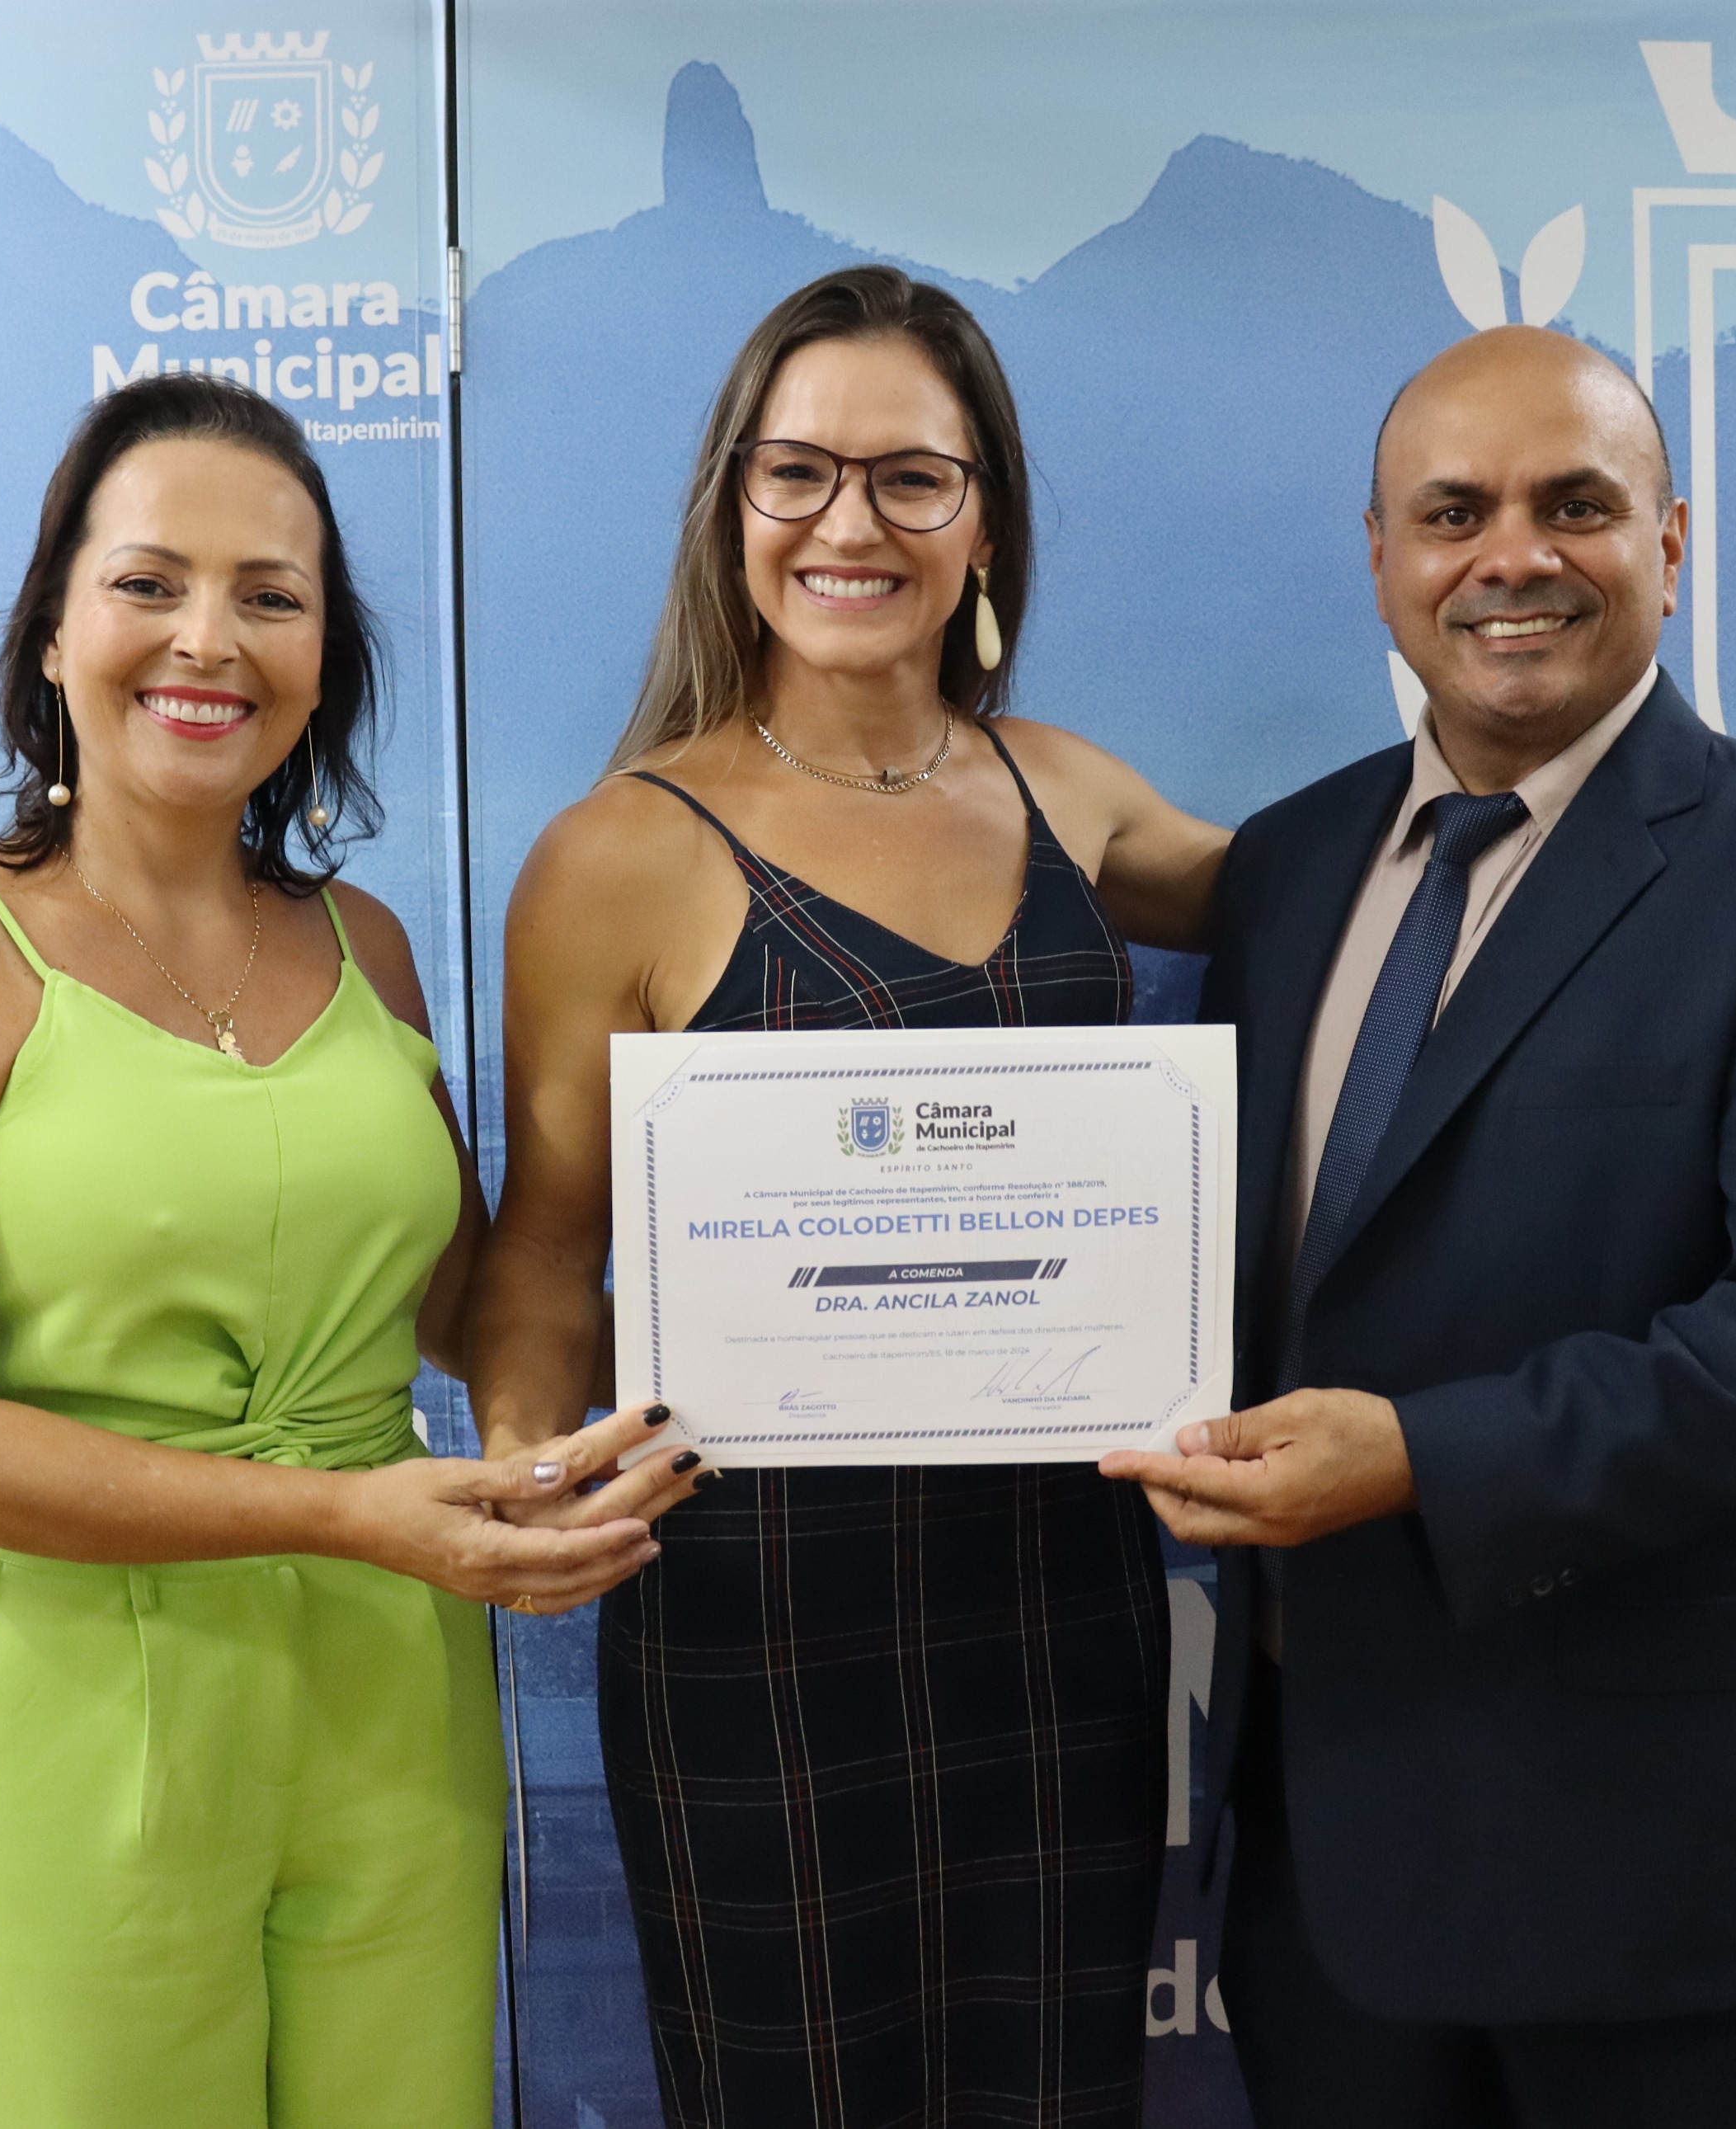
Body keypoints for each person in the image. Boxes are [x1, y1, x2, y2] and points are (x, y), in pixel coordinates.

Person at [0, 372, 699, 2129]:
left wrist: (544, 1437)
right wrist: (346, 1514)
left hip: (391, 1706)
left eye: (270, 596)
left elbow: (472, 1299)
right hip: (63, 1711)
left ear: (321, 659)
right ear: (55, 629)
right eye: (150, 583)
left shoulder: (368, 943)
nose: (208, 639)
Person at [1102, 325, 1736, 2127]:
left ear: (1673, 540)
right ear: (1381, 561)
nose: (1512, 556)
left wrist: (1419, 1458)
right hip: (1328, 1845)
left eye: (1574, 505)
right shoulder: (1287, 867)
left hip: (1671, 1859)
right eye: (1454, 514)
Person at [472, 265, 1231, 2127]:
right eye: (797, 471)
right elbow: (545, 1259)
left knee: (1058, 2096)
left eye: (911, 477)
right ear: (733, 508)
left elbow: (1365, 896)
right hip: (752, 1630)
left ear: (985, 522)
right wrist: (525, 1466)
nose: (850, 523)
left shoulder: (1073, 797)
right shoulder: (617, 852)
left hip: (1061, 1614)